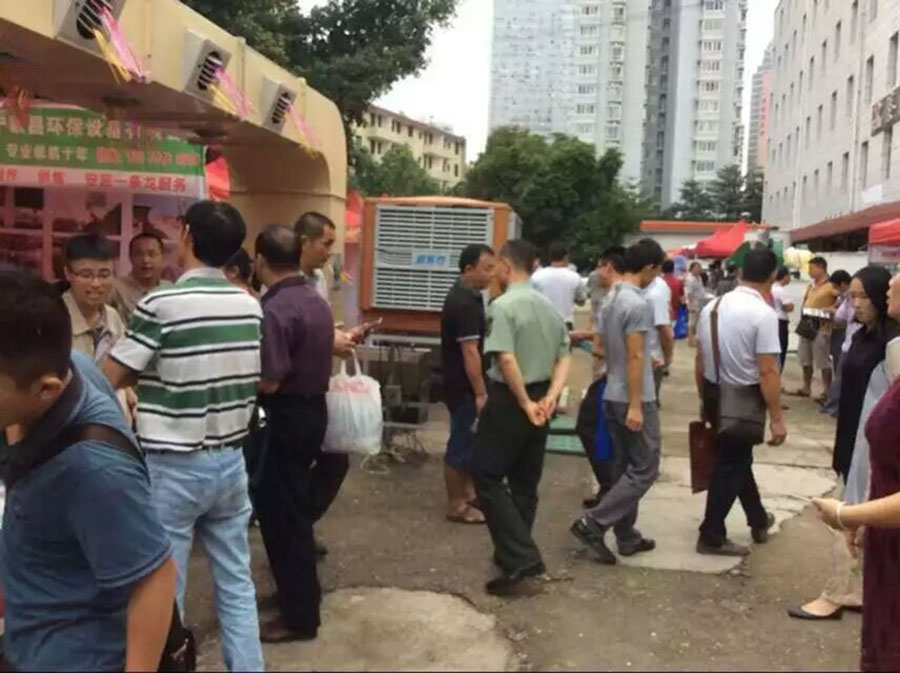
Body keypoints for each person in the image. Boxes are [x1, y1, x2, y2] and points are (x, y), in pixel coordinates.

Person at [103, 201, 264, 671]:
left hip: (173, 466)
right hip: (230, 461)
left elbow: (111, 376)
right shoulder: (249, 306)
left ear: (187, 235)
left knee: (162, 589)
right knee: (236, 582)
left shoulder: (162, 304)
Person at [0, 271, 176, 671]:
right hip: (26, 631)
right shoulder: (70, 364)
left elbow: (156, 576)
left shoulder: (94, 471)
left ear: (45, 390)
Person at [790, 266, 899, 621]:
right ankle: (857, 592)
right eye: (852, 297)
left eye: (863, 296)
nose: (856, 304)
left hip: (872, 448)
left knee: (849, 518)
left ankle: (836, 594)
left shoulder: (892, 345)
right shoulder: (863, 336)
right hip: (850, 437)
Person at [252, 225, 337, 643]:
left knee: (283, 518)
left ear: (259, 260)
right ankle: (295, 596)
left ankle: (300, 616)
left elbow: (269, 380)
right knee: (294, 511)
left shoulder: (275, 309)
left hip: (284, 416)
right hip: (312, 411)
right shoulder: (314, 300)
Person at [473, 239, 571, 596]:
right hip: (542, 394)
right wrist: (550, 397)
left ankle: (520, 557)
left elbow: (506, 358)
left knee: (486, 475)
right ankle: (513, 551)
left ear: (505, 265)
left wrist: (525, 401)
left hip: (512, 398)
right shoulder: (548, 307)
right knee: (524, 482)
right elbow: (564, 356)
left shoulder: (502, 307)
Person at [570, 238, 665, 564]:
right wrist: (637, 404)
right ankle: (594, 523)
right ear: (649, 267)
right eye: (657, 270)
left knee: (623, 468)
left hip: (612, 390)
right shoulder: (637, 303)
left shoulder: (611, 298)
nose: (656, 277)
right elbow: (636, 355)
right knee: (645, 468)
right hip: (633, 395)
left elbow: (604, 347)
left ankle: (626, 535)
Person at [695, 248, 786, 557]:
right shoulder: (763, 314)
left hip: (713, 392)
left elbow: (699, 360)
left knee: (736, 459)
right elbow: (767, 370)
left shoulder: (713, 307)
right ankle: (711, 535)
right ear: (772, 276)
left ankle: (758, 519)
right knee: (731, 464)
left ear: (741, 272)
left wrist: (703, 399)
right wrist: (777, 417)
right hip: (743, 400)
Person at [440, 243, 496, 525]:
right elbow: (470, 352)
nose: (491, 274)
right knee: (461, 443)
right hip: (462, 386)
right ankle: (456, 505)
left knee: (471, 440)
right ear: (468, 269)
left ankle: (469, 494)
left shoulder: (468, 296)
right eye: (487, 269)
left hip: (460, 383)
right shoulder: (464, 303)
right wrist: (480, 391)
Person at [61, 233, 126, 364]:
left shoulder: (113, 317)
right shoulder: (53, 316)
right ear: (68, 274)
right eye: (86, 275)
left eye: (104, 275)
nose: (96, 283)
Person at [791, 256, 838, 403]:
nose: (809, 272)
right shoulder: (811, 286)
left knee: (822, 360)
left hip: (822, 326)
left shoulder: (830, 286)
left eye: (811, 268)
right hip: (807, 324)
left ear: (821, 268)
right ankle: (806, 386)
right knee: (805, 358)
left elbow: (841, 300)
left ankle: (827, 390)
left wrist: (830, 309)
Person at [112, 231, 172, 322]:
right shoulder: (116, 289)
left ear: (162, 257)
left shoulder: (169, 289)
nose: (145, 260)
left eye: (152, 254)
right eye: (139, 254)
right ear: (130, 257)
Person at [531, 242, 587, 330]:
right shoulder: (575, 277)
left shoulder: (537, 276)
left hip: (542, 324)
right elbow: (582, 301)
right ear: (566, 257)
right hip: (565, 324)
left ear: (550, 257)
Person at [644, 262, 674, 404]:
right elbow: (665, 331)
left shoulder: (621, 290)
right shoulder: (658, 291)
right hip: (652, 357)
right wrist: (667, 357)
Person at [772, 267, 795, 371]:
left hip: (772, 322)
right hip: (780, 322)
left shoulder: (771, 288)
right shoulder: (780, 290)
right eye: (789, 275)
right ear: (785, 276)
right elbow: (788, 307)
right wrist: (792, 306)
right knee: (781, 349)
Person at [685, 262, 704, 348]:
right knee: (692, 323)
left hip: (700, 302)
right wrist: (690, 305)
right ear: (691, 269)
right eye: (696, 268)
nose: (698, 269)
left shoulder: (699, 278)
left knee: (698, 323)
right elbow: (689, 293)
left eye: (699, 268)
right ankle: (690, 340)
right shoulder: (690, 279)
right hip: (694, 303)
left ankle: (695, 339)